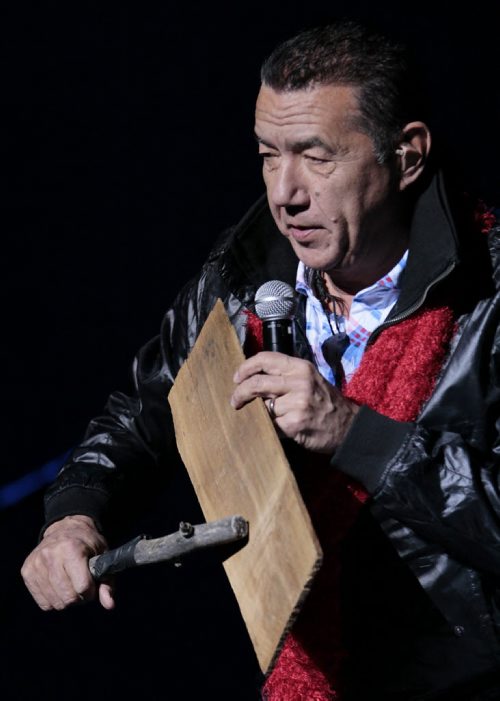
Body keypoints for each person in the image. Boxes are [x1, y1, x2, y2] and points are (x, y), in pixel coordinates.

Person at [21, 20, 500, 701]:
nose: (285, 193)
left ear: (408, 155)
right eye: (269, 155)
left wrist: (353, 432)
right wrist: (73, 513)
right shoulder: (248, 272)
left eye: (316, 156)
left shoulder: (487, 295)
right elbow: (141, 414)